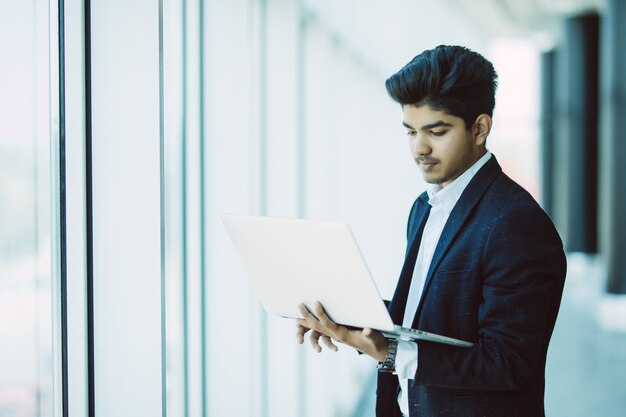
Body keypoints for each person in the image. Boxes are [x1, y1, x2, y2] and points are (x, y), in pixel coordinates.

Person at [296, 45, 567, 417]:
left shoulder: (516, 224)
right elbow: (428, 317)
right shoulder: (424, 207)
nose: (419, 148)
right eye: (410, 132)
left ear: (480, 128)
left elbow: (506, 362)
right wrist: (347, 319)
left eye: (436, 131)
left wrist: (389, 352)